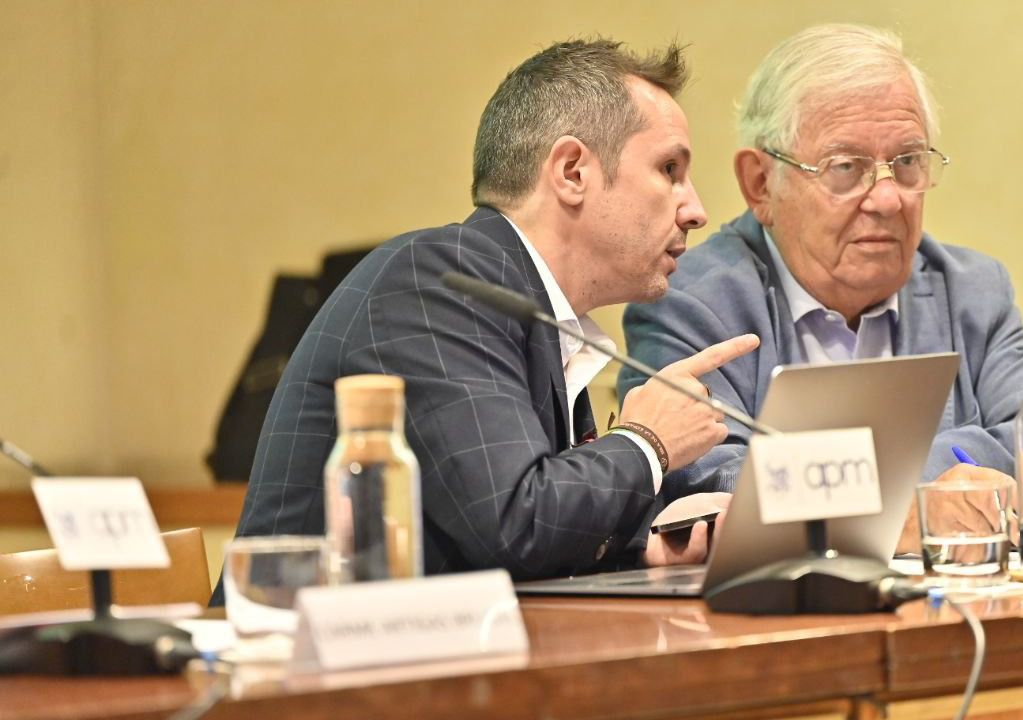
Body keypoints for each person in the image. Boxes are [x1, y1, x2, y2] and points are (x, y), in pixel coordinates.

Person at [225, 38, 759, 591]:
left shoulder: (528, 308)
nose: (696, 210)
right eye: (669, 169)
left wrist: (642, 547)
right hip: (292, 641)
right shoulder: (434, 280)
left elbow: (522, 531)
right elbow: (516, 524)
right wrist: (648, 440)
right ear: (572, 172)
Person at [620, 24, 1023, 552]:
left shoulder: (974, 292)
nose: (888, 199)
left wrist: (817, 475)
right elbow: (713, 486)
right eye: (846, 167)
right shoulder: (690, 305)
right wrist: (928, 489)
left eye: (908, 162)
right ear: (760, 184)